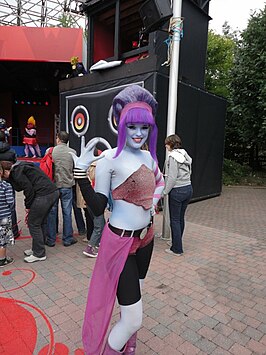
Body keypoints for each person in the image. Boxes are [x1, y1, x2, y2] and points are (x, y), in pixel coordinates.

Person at [71, 85, 165, 354]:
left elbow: (159, 182)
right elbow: (98, 208)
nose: (138, 133)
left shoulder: (149, 157)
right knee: (134, 317)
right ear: (122, 124)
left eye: (144, 128)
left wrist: (152, 205)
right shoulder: (109, 159)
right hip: (119, 245)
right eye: (133, 126)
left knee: (133, 304)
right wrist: (80, 174)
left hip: (146, 240)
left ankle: (129, 345)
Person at [1, 161, 59, 263]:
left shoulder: (16, 172)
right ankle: (37, 248)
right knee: (41, 222)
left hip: (44, 194)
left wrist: (28, 205)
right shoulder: (23, 167)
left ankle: (39, 253)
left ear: (6, 170)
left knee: (33, 223)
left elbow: (28, 189)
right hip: (52, 192)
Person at [163, 134, 193, 256]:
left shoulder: (173, 157)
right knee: (180, 218)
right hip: (188, 188)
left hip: (177, 191)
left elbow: (172, 178)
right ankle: (177, 242)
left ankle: (176, 249)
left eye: (166, 143)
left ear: (170, 144)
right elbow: (189, 171)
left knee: (174, 220)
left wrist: (164, 192)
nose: (165, 146)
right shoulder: (184, 154)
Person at [46, 131, 77, 247]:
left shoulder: (51, 151)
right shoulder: (72, 152)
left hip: (53, 186)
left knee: (52, 212)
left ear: (58, 138)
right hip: (67, 185)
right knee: (67, 213)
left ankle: (51, 239)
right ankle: (68, 239)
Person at [0, 131, 20, 239]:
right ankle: (14, 230)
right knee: (11, 206)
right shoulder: (11, 151)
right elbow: (15, 163)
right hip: (8, 181)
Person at [0, 162, 15, 267]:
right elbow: (10, 201)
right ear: (1, 172)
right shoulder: (6, 185)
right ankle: (2, 259)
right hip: (4, 216)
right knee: (3, 239)